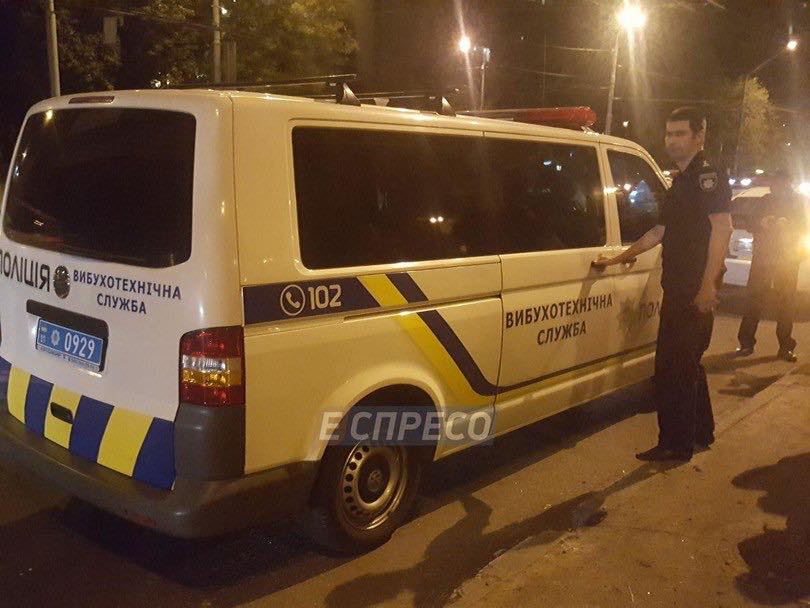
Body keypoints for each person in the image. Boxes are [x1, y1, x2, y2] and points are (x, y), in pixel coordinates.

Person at [593, 106, 733, 462]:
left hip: (694, 288)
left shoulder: (707, 177)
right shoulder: (680, 181)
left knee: (673, 368)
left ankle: (674, 445)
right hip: (678, 286)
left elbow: (723, 229)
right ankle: (701, 432)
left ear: (699, 136)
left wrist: (708, 286)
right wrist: (619, 258)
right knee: (687, 364)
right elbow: (660, 231)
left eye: (680, 133)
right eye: (669, 134)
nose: (671, 140)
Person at [736, 170, 805, 361]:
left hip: (787, 260)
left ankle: (785, 347)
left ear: (788, 184)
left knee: (786, 304)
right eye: (775, 184)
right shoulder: (765, 201)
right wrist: (762, 222)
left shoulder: (798, 202)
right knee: (754, 300)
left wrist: (787, 224)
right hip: (763, 259)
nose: (777, 188)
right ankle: (746, 343)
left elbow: (804, 226)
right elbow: (750, 222)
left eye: (781, 184)